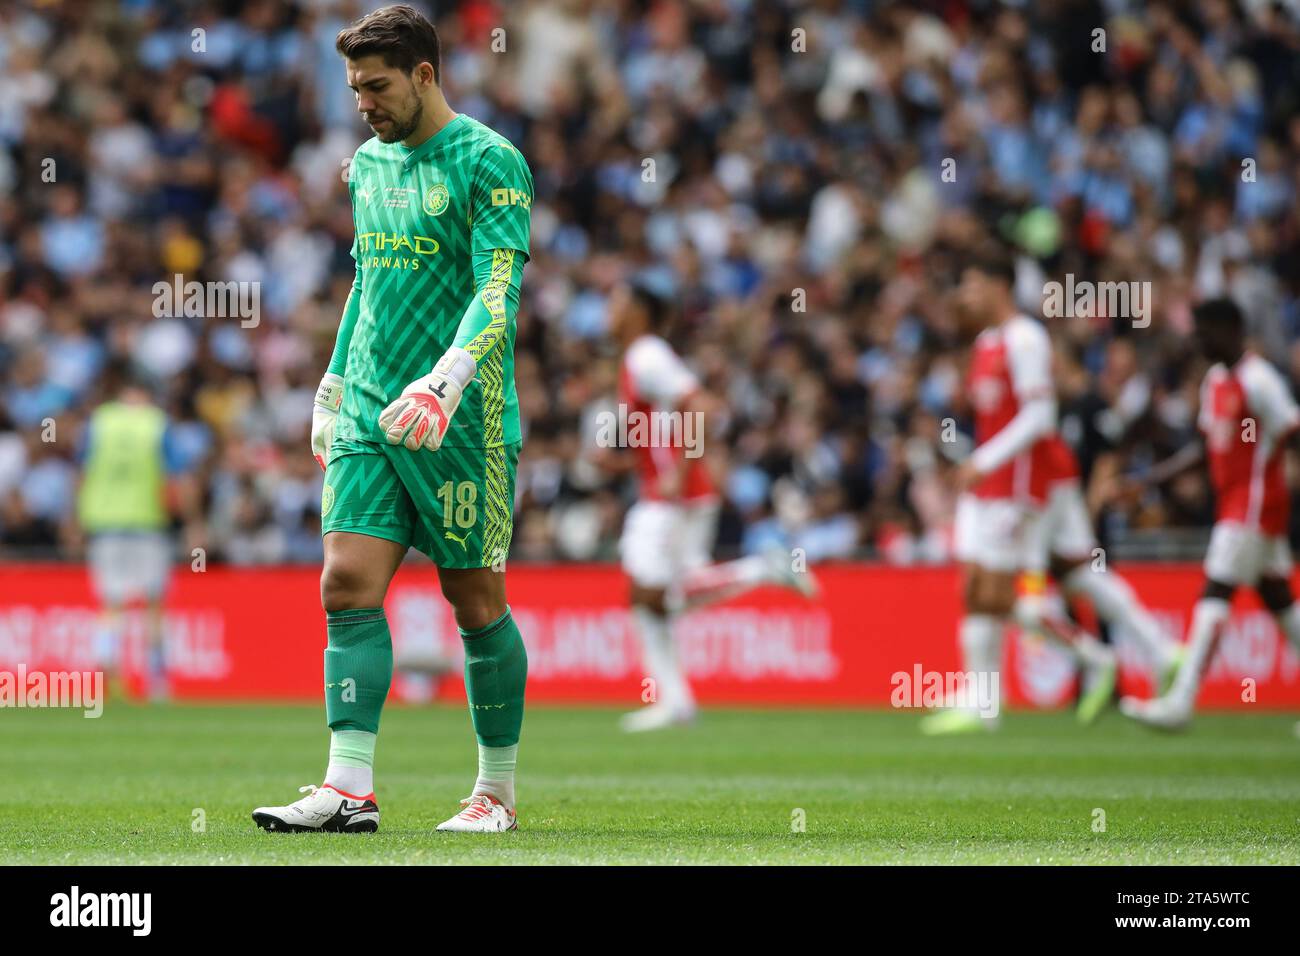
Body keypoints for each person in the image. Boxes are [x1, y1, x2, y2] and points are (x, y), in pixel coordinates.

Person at [252, 5, 532, 834]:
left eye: (377, 87)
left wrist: (447, 380)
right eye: (354, 89)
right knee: (344, 584)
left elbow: (498, 289)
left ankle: (497, 793)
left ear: (424, 74)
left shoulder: (491, 161)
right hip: (375, 410)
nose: (364, 104)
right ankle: (348, 789)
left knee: (474, 598)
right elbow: (368, 283)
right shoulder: (366, 166)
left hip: (461, 415)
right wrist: (334, 384)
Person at [606, 280, 817, 732]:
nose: (609, 310)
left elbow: (701, 407)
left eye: (618, 300)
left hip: (674, 498)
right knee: (654, 598)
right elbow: (662, 429)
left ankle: (763, 568)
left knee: (655, 594)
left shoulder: (646, 354)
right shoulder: (639, 357)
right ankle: (675, 701)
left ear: (640, 311)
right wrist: (626, 463)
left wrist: (681, 470)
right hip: (668, 493)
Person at [922, 251, 1115, 734]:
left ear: (997, 285)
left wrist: (980, 463)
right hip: (986, 486)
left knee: (1000, 596)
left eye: (970, 284)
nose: (964, 295)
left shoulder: (1026, 339)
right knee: (974, 590)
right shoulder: (987, 342)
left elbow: (1039, 418)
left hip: (1017, 485)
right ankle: (983, 701)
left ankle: (1092, 655)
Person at [1121, 298, 1300, 730]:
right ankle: (1179, 700)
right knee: (1281, 603)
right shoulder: (1216, 381)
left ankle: (1180, 701)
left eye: (1203, 332)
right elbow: (1206, 446)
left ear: (1230, 330)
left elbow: (1292, 429)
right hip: (1237, 504)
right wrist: (1153, 479)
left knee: (1215, 590)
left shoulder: (1260, 381)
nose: (1196, 341)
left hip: (1255, 505)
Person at [75, 362, 193, 701]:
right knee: (154, 602)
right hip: (147, 522)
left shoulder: (99, 421)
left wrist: (77, 518)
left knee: (111, 603)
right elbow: (176, 477)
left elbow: (82, 472)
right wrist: (190, 520)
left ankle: (108, 670)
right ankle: (157, 683)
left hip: (104, 523)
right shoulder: (156, 423)